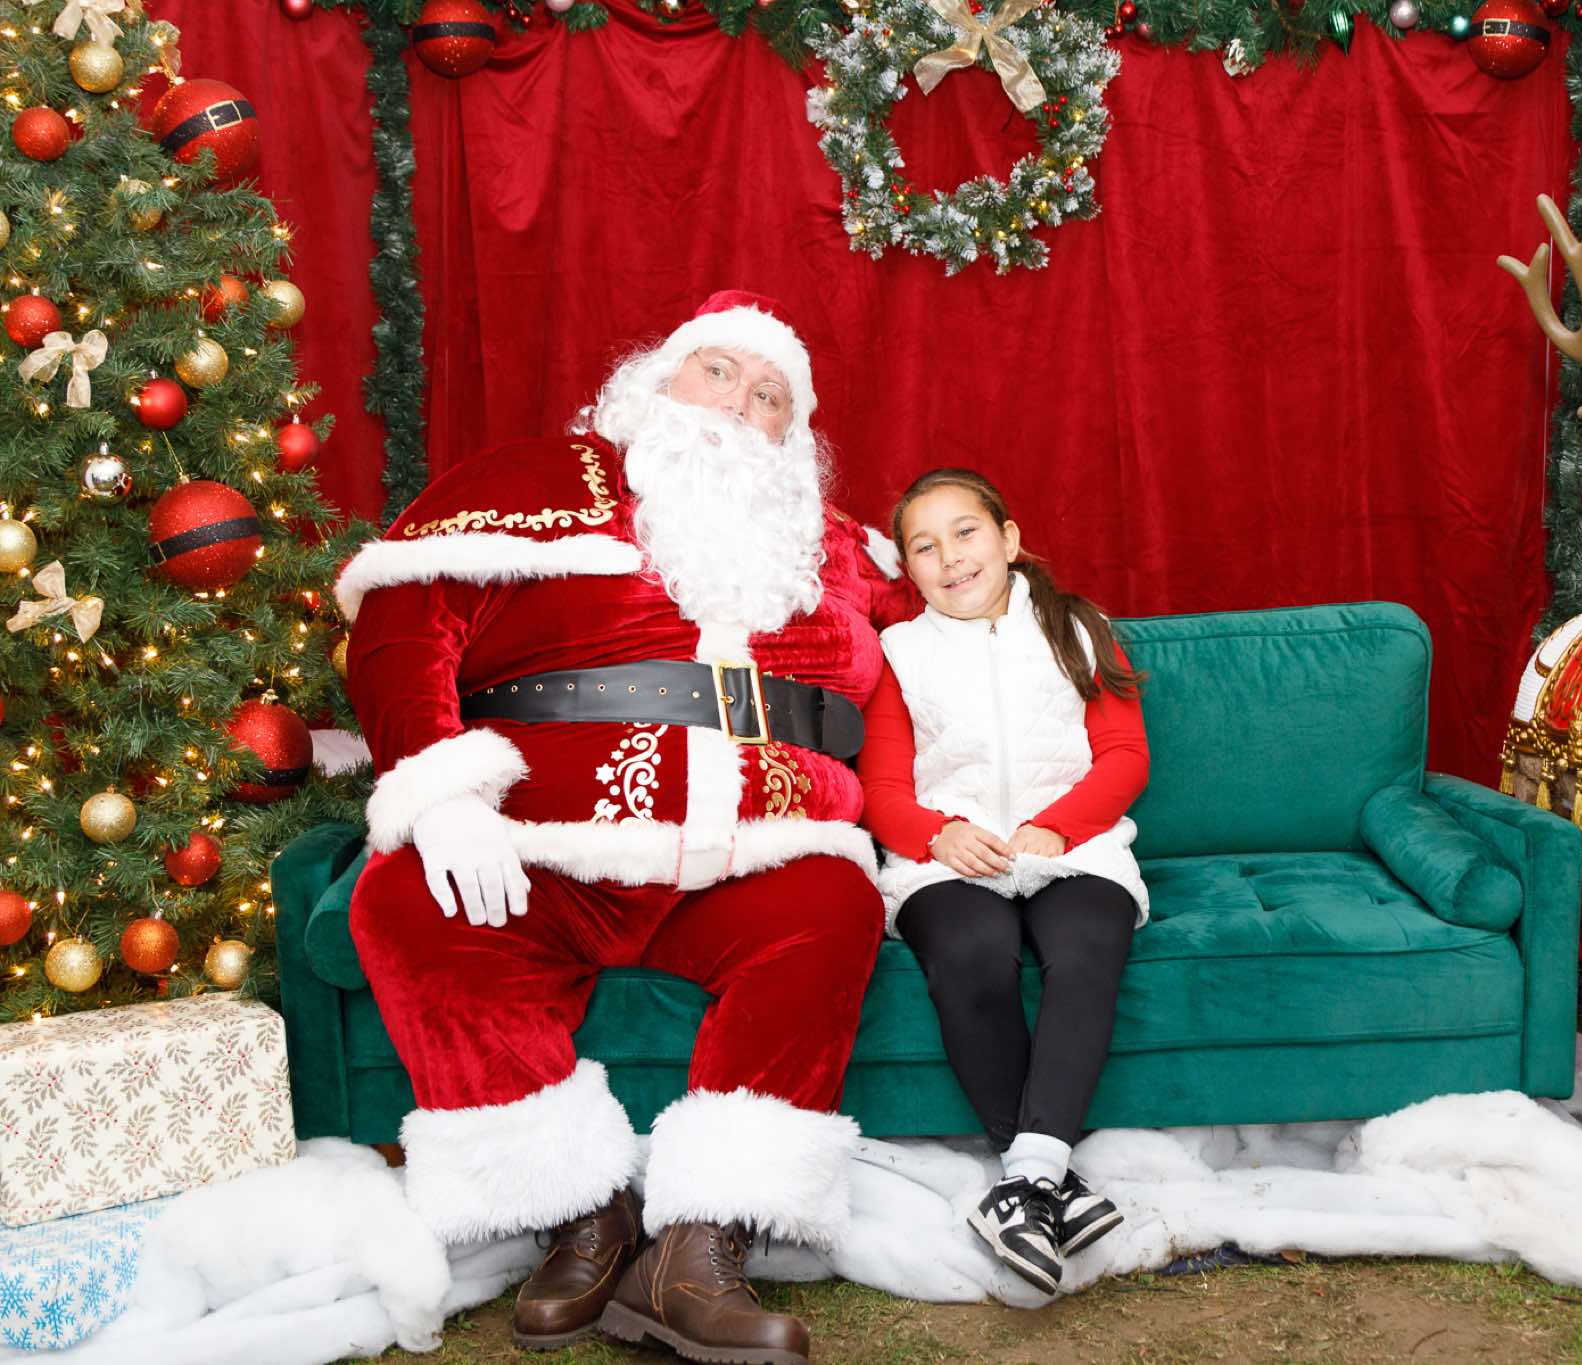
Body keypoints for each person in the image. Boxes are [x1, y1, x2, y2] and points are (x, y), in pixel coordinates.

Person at [335, 291, 918, 1363]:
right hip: (549, 845)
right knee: (405, 902)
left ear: (793, 435)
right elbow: (403, 621)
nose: (737, 403)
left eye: (769, 395)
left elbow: (965, 637)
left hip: (759, 854)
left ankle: (696, 1250)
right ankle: (581, 1213)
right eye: (718, 372)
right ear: (656, 380)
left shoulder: (838, 548)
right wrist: (439, 789)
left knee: (834, 903)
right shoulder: (535, 480)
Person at [858, 468, 1151, 1294]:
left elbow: (1125, 755)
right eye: (925, 546)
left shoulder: (1079, 629)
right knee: (973, 952)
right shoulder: (898, 653)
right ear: (908, 570)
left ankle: (1025, 1178)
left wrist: (1059, 824)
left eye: (966, 532)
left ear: (1009, 539)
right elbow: (882, 789)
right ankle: (1051, 1180)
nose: (950, 557)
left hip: (1071, 846)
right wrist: (939, 834)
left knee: (1088, 940)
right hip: (950, 856)